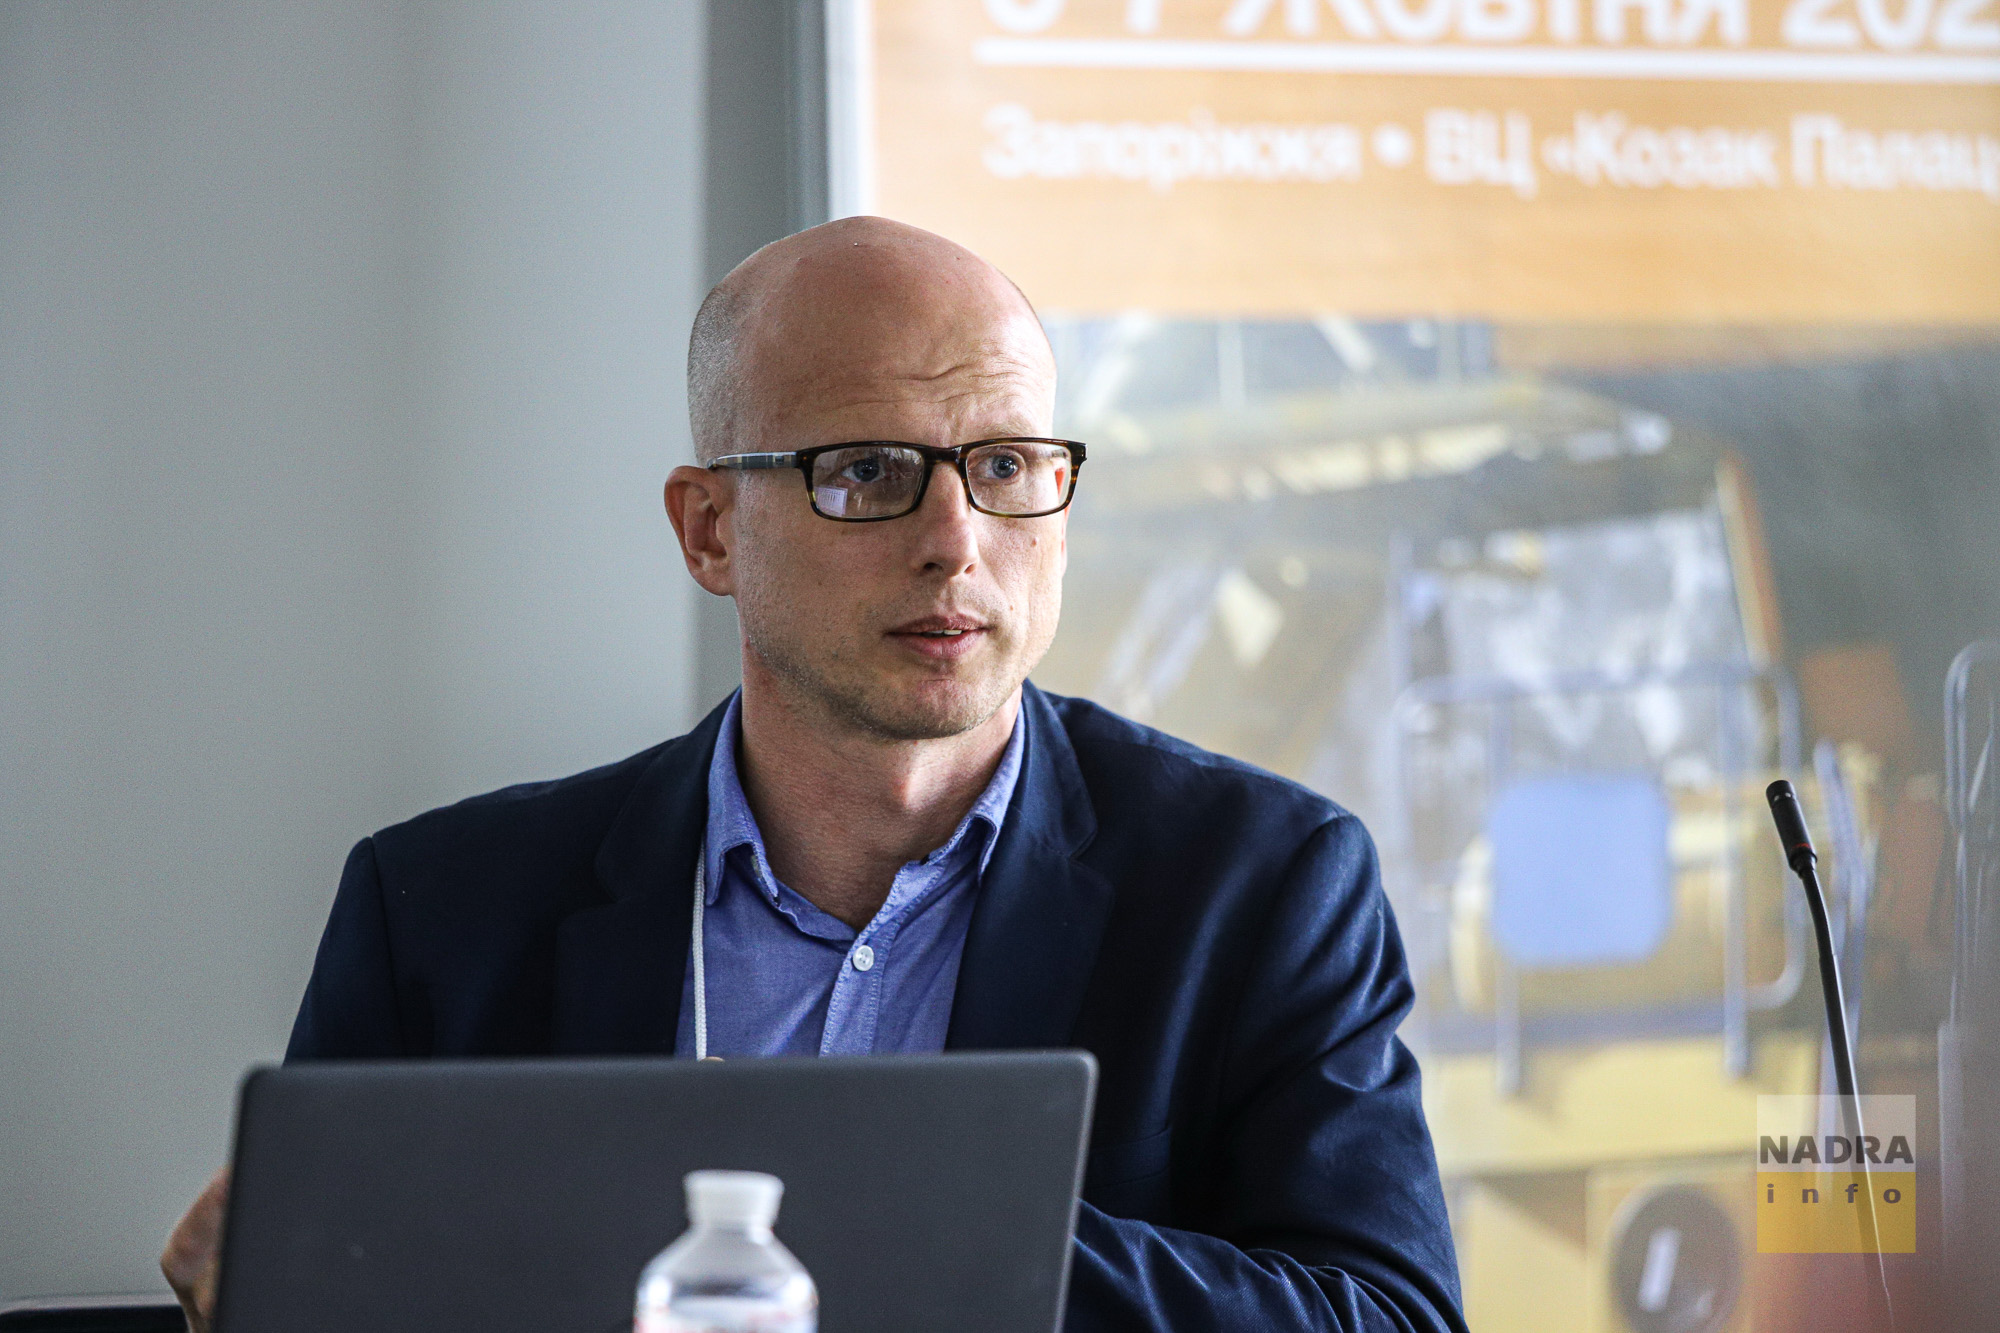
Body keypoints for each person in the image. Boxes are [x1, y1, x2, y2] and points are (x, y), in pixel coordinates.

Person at [161, 216, 1466, 1332]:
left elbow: (1386, 1314)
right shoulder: (440, 912)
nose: (956, 542)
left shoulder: (1263, 882)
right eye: (867, 472)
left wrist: (895, 1212)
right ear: (710, 530)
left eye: (1006, 467)